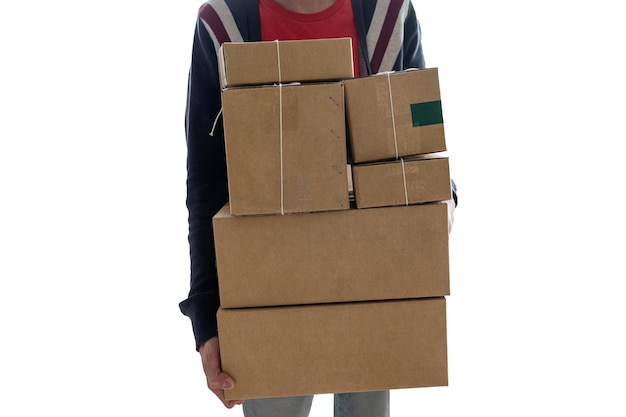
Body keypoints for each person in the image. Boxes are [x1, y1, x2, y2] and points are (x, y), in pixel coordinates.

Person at [179, 0, 458, 415]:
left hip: (374, 282)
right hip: (266, 291)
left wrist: (442, 195)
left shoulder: (388, 15)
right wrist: (206, 318)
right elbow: (205, 179)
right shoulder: (224, 23)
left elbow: (420, 125)